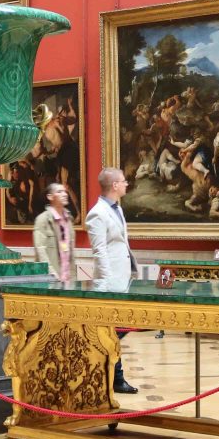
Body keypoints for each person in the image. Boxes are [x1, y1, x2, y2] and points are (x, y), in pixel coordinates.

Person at [86, 167, 138, 395]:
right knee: (113, 331)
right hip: (110, 283)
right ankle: (113, 376)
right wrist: (105, 285)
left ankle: (109, 374)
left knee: (116, 330)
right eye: (123, 181)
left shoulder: (117, 209)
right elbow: (99, 251)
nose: (126, 184)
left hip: (121, 279)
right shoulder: (97, 214)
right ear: (115, 185)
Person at [32, 183, 77, 285]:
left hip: (68, 278)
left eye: (65, 191)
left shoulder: (69, 219)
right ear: (50, 197)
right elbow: (40, 250)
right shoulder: (42, 219)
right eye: (59, 192)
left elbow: (71, 251)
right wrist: (52, 274)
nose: (65, 194)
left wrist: (73, 277)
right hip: (51, 279)